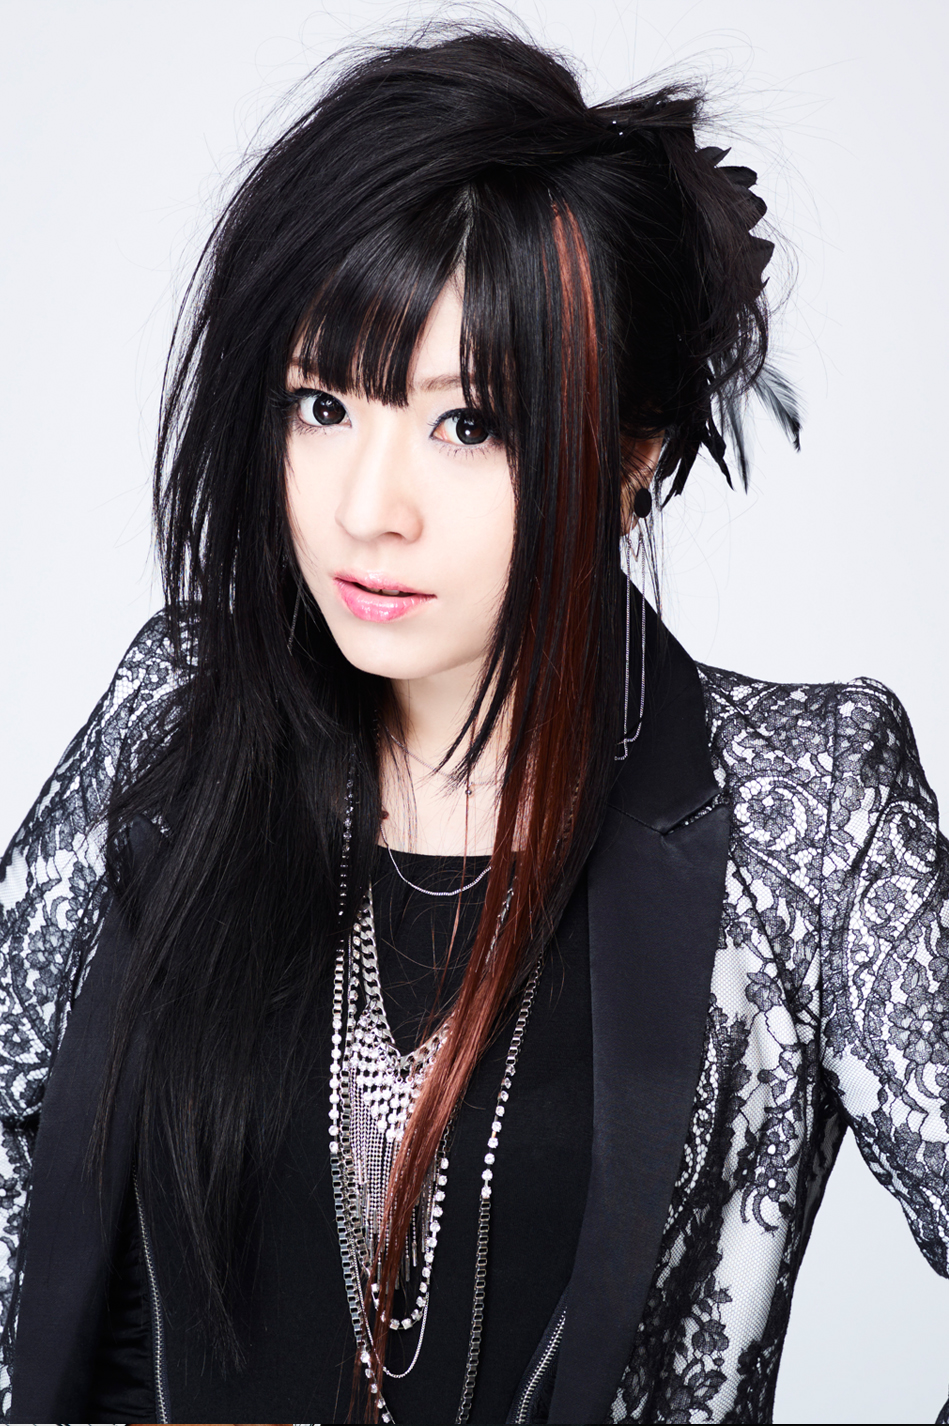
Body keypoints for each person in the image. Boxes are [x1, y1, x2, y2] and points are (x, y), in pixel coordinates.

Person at [0, 23, 946, 1426]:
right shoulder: (176, 721)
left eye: (469, 426)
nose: (368, 508)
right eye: (323, 403)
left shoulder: (805, 813)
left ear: (630, 454)